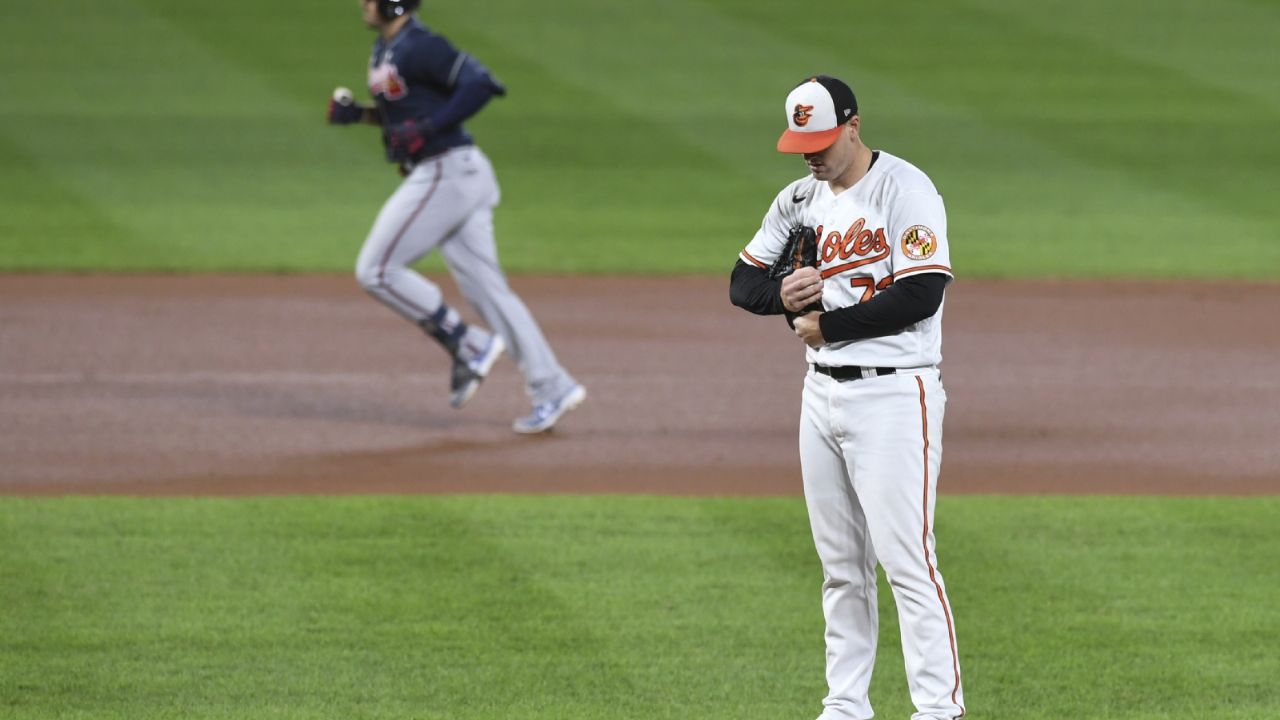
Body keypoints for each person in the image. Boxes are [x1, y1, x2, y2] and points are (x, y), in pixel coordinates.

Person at [729, 75, 965, 720]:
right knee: (840, 567)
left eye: (824, 139)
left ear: (855, 126)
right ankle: (845, 706)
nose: (812, 153)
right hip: (821, 395)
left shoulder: (905, 189)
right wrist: (783, 295)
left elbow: (921, 295)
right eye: (802, 141)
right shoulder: (801, 197)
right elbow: (742, 280)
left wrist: (828, 323)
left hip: (895, 395)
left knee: (908, 564)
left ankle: (939, 711)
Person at [326, 0, 585, 434]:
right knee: (489, 292)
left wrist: (428, 129)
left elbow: (482, 84)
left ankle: (468, 343)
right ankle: (552, 386)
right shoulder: (385, 49)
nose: (362, 3)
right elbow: (405, 119)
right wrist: (361, 116)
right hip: (454, 172)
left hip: (447, 170)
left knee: (376, 269)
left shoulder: (421, 45)